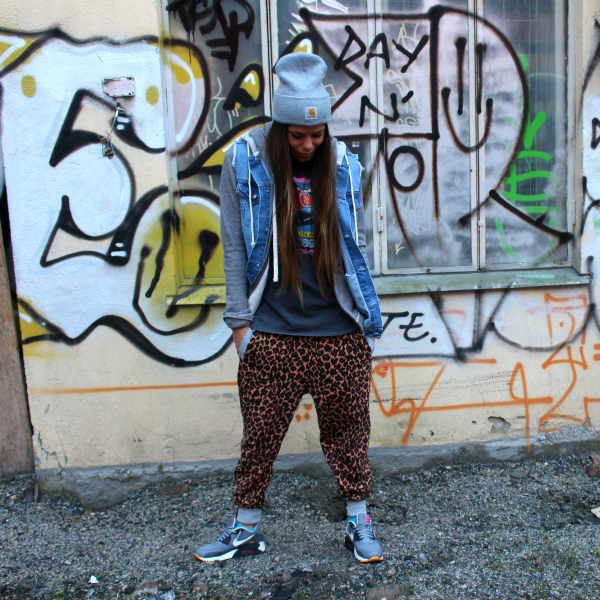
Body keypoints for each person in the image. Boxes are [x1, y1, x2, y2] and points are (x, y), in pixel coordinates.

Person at [195, 52, 384, 563]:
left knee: (350, 436)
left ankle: (358, 522)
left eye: (316, 134)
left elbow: (356, 249)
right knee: (259, 438)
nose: (307, 145)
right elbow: (235, 247)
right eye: (297, 135)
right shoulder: (244, 163)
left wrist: (364, 325)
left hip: (338, 333)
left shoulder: (343, 166)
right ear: (279, 128)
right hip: (272, 332)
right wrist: (241, 328)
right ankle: (245, 529)